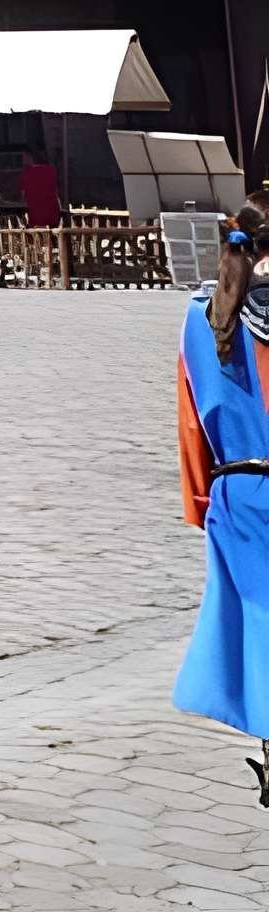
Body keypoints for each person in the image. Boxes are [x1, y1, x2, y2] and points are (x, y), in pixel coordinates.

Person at [174, 194, 269, 801]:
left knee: (260, 631)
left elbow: (191, 423)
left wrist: (201, 503)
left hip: (239, 497)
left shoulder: (201, 318)